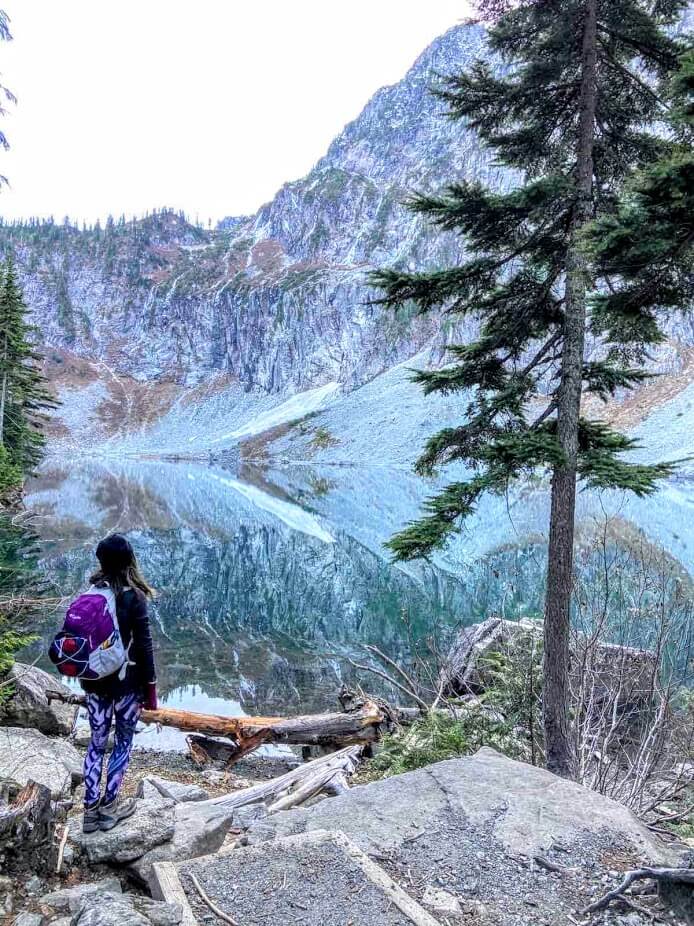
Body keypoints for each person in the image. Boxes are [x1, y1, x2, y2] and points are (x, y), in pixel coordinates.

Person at [81, 533, 157, 833]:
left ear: (101, 561)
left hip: (94, 684)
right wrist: (150, 689)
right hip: (127, 687)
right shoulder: (134, 597)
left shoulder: (91, 594)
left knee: (96, 745)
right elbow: (144, 646)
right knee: (123, 743)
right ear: (129, 561)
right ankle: (109, 808)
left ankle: (89, 812)